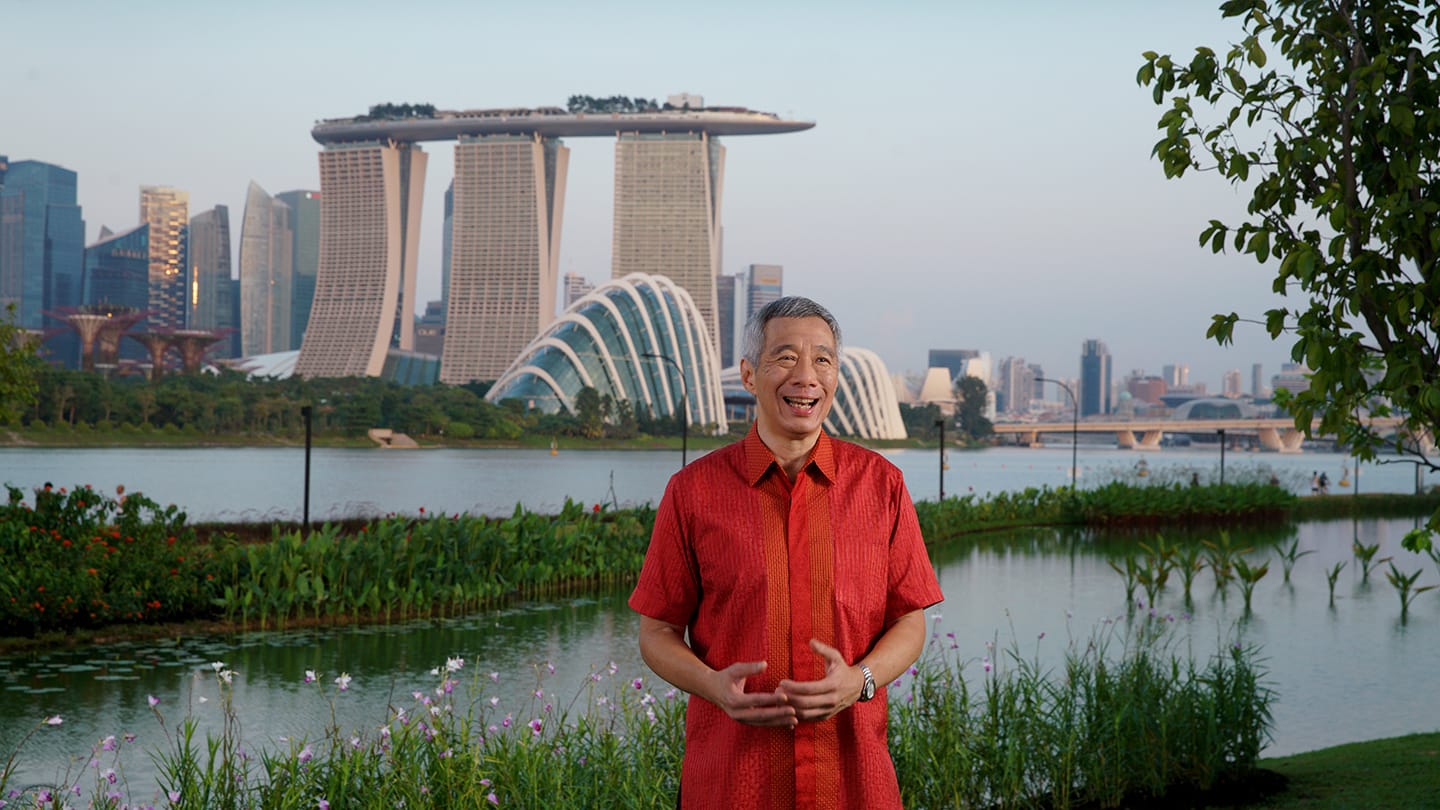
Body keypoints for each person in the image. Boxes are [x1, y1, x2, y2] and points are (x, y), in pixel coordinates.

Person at [629, 297, 944, 809]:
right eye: (785, 357)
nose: (806, 376)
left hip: (853, 784)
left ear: (837, 375)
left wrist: (859, 681)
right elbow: (656, 632)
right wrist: (712, 685)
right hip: (732, 784)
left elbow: (909, 620)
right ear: (750, 375)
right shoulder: (693, 491)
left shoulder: (882, 485)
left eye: (822, 359)